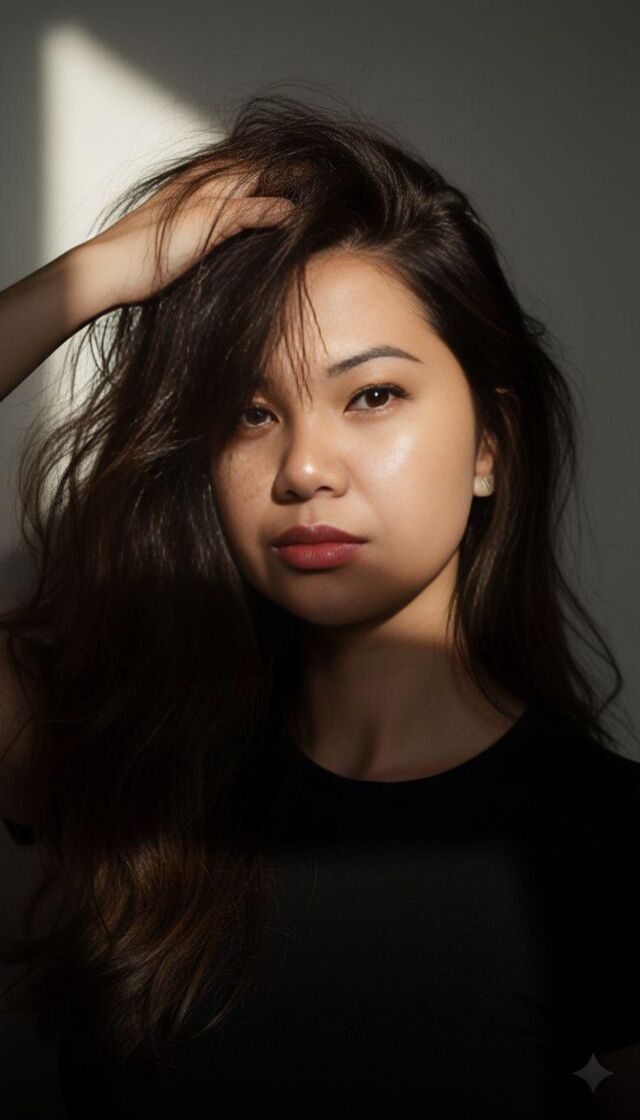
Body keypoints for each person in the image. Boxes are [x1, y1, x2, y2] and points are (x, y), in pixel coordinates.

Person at [0, 91, 638, 1118]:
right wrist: (101, 274)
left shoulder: (609, 841)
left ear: (489, 444)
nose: (303, 467)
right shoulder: (126, 761)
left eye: (371, 396)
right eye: (251, 413)